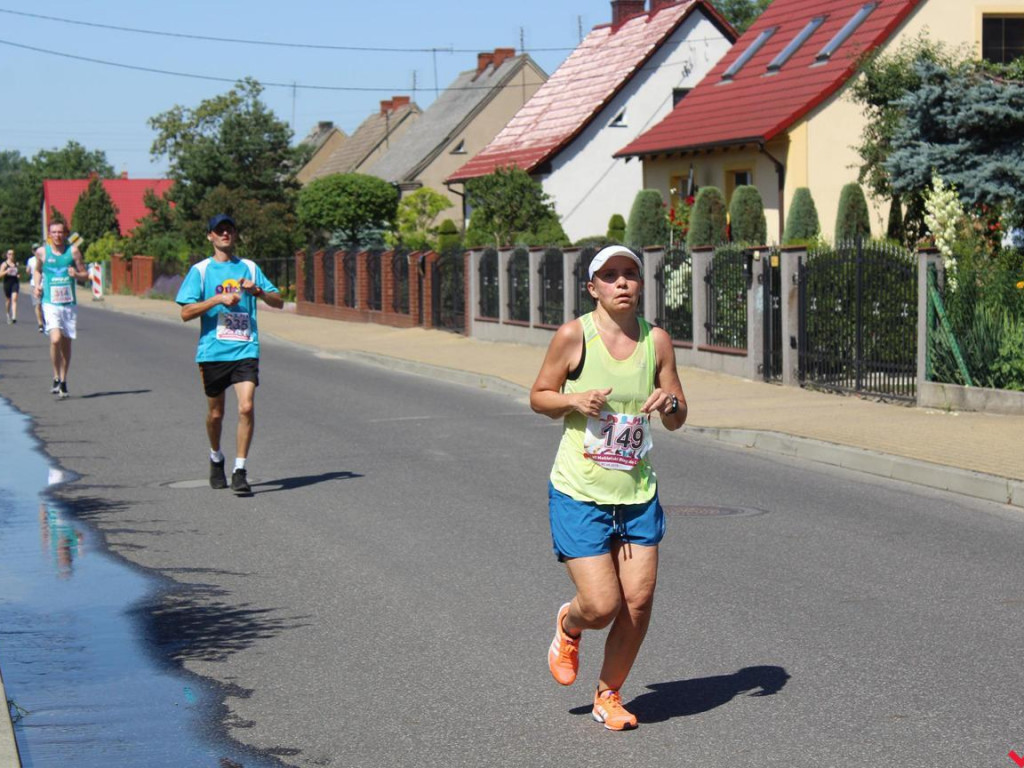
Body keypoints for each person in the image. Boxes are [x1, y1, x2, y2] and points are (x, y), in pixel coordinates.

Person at [530, 245, 688, 731]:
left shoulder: (657, 341)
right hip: (580, 491)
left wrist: (669, 404)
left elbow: (679, 415)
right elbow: (539, 396)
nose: (622, 282)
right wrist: (574, 399)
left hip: (636, 494)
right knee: (601, 606)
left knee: (637, 602)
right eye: (610, 275)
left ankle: (609, 695)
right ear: (592, 287)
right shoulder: (574, 336)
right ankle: (569, 624)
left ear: (640, 284)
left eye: (630, 274)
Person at [175, 214, 283, 495]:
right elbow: (185, 312)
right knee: (216, 414)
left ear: (235, 235)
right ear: (210, 236)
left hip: (245, 348)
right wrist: (216, 299)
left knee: (246, 407)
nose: (225, 234)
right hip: (213, 352)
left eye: (229, 230)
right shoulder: (200, 271)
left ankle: (240, 470)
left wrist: (257, 291)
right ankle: (215, 457)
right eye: (219, 230)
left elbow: (279, 301)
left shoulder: (250, 267)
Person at [33, 222, 87, 398]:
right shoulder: (42, 252)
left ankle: (63, 380)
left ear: (65, 234)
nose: (57, 235)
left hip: (68, 303)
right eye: (54, 232)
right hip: (50, 302)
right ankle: (55, 375)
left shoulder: (73, 252)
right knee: (55, 339)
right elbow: (37, 270)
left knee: (66, 343)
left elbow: (85, 275)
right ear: (49, 234)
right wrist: (37, 286)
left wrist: (76, 275)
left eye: (60, 232)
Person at [26, 249, 44, 332]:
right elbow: (28, 271)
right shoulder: (31, 260)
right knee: (38, 304)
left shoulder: (45, 257)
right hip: (34, 284)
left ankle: (45, 319)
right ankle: (40, 324)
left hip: (45, 284)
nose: (36, 251)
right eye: (34, 250)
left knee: (45, 304)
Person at [1, 249, 19, 323]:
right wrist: (6, 271)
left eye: (12, 254)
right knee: (8, 300)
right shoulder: (4, 264)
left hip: (15, 282)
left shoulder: (16, 263)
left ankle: (14, 316)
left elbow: (17, 272)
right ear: (7, 255)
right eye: (10, 254)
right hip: (7, 283)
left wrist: (18, 275)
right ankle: (8, 313)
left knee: (14, 299)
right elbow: (0, 274)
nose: (11, 255)